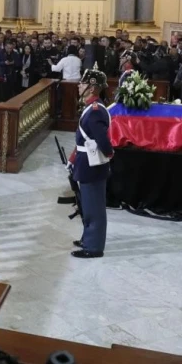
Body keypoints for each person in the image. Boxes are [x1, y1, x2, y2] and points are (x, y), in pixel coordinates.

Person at [69, 69, 112, 259]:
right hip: (85, 162)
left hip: (92, 165)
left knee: (94, 207)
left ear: (92, 87)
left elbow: (102, 140)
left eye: (83, 83)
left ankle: (94, 247)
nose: (79, 85)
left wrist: (109, 154)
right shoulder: (91, 107)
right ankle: (88, 237)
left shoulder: (95, 110)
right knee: (87, 205)